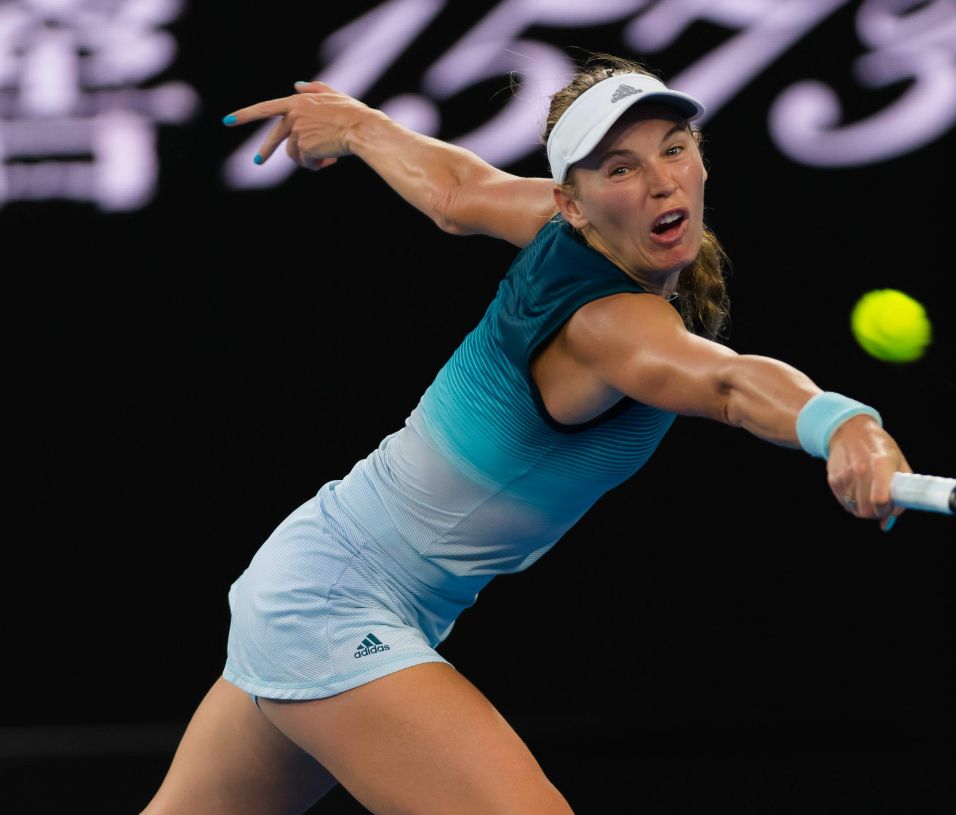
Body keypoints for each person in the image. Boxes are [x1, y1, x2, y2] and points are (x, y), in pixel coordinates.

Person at [142, 56, 911, 815]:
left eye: (674, 148)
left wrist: (357, 126)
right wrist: (842, 424)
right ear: (571, 203)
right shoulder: (612, 325)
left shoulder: (559, 229)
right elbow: (729, 383)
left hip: (318, 573)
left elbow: (454, 191)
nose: (660, 181)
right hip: (334, 602)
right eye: (619, 168)